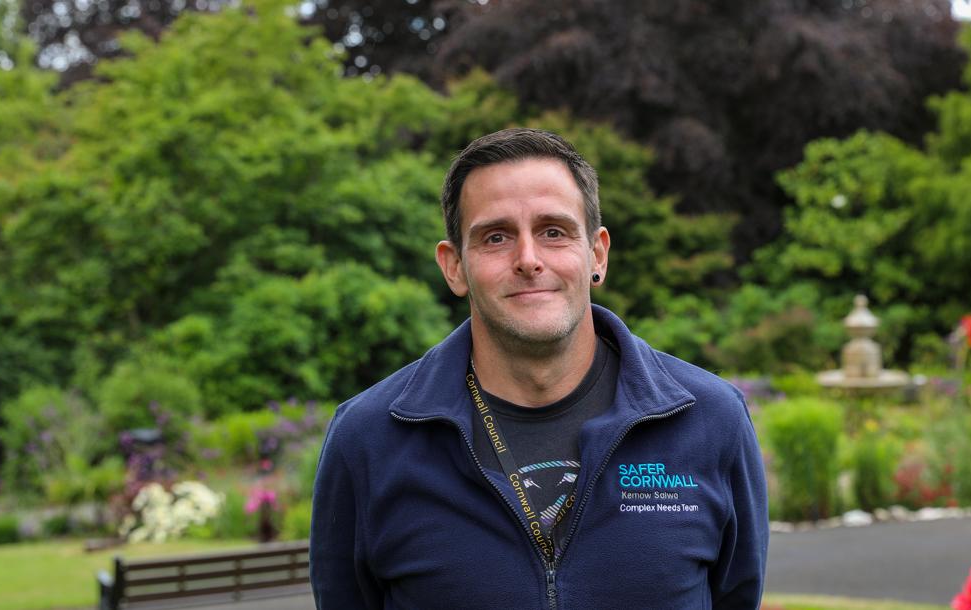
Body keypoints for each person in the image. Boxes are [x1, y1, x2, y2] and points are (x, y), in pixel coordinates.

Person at [309, 128, 769, 609]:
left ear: (596, 254)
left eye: (553, 231)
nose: (528, 260)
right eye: (496, 237)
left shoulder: (712, 420)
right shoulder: (366, 439)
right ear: (455, 267)